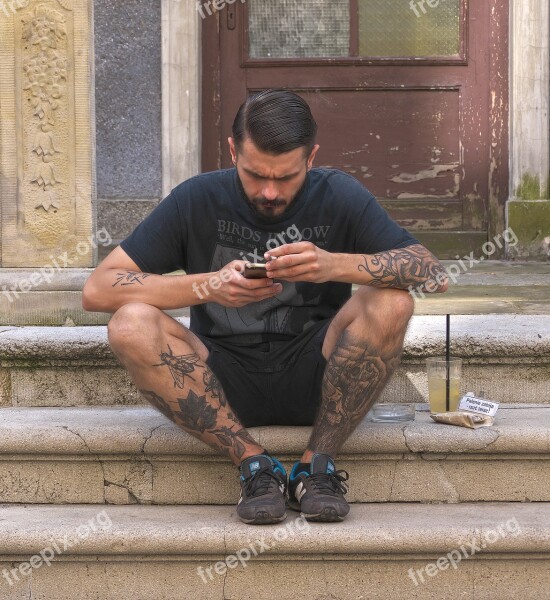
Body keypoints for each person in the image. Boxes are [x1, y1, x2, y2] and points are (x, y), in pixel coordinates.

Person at [82, 89, 448, 525]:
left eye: (287, 177)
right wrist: (208, 287)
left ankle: (316, 466)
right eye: (255, 175)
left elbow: (431, 272)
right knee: (129, 323)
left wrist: (334, 264)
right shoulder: (197, 197)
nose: (270, 191)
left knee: (392, 299)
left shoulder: (340, 194)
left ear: (311, 158)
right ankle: (256, 465)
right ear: (233, 150)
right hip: (220, 380)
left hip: (319, 373)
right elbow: (98, 290)